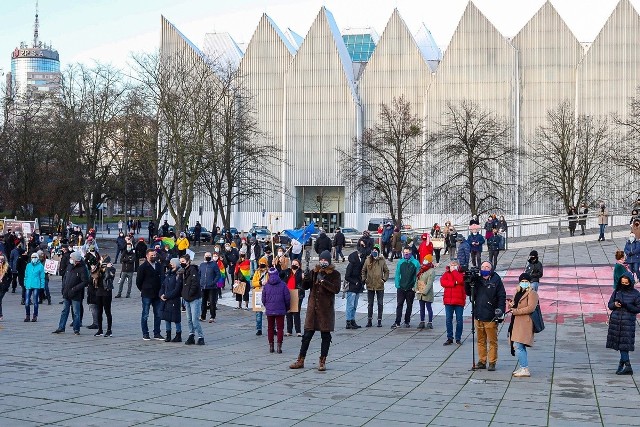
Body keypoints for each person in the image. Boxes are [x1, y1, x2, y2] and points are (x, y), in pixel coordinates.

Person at [289, 250, 341, 371]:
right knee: (307, 335)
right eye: (321, 260)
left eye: (325, 260)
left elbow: (336, 289)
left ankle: (322, 361)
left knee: (325, 336)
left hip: (325, 310)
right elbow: (305, 286)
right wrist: (305, 278)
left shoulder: (335, 274)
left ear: (329, 261)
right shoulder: (314, 271)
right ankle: (300, 359)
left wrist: (324, 281)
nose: (323, 262)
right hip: (313, 309)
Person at [466, 261, 506, 371]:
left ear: (491, 269)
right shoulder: (477, 280)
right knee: (480, 340)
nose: (484, 268)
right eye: (483, 267)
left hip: (491, 316)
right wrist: (468, 281)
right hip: (478, 314)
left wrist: (500, 310)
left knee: (492, 341)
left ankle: (492, 362)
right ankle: (482, 360)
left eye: (487, 267)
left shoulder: (496, 280)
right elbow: (469, 292)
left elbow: (501, 296)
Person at [607, 274, 640, 375]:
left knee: (623, 345)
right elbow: (610, 305)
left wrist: (627, 305)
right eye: (622, 283)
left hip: (627, 322)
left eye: (626, 283)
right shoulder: (617, 291)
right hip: (616, 322)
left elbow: (637, 309)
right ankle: (622, 365)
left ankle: (627, 366)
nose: (624, 284)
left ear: (630, 282)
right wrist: (615, 305)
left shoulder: (636, 294)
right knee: (621, 344)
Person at [507, 273, 539, 378]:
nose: (524, 283)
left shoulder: (532, 293)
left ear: (529, 283)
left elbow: (531, 308)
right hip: (516, 322)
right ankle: (523, 367)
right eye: (522, 281)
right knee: (519, 345)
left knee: (518, 345)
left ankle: (525, 368)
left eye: (526, 282)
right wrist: (511, 305)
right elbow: (516, 305)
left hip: (525, 322)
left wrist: (516, 311)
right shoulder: (518, 291)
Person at [53, 252, 89, 335]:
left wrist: (74, 289)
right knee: (64, 311)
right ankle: (61, 327)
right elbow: (65, 277)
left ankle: (76, 329)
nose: (70, 259)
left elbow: (85, 282)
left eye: (72, 258)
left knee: (76, 312)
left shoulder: (82, 268)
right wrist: (63, 288)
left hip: (76, 294)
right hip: (66, 292)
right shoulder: (69, 266)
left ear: (76, 260)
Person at [136, 248, 164, 340]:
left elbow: (162, 278)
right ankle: (145, 333)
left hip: (157, 293)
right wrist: (143, 289)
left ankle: (157, 333)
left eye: (154, 255)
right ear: (147, 256)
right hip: (147, 293)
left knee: (158, 314)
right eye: (152, 255)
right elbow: (138, 281)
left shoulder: (159, 265)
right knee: (145, 314)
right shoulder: (142, 267)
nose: (153, 257)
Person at [262, 267, 291, 353]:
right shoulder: (283, 284)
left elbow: (263, 299)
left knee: (270, 328)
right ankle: (279, 347)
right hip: (280, 310)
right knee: (280, 328)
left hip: (270, 310)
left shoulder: (266, 285)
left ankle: (271, 347)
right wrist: (287, 307)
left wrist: (267, 306)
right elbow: (287, 298)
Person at [361, 244, 389, 327]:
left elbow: (386, 271)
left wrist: (383, 280)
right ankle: (369, 320)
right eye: (373, 250)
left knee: (380, 303)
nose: (374, 252)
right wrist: (364, 279)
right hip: (370, 284)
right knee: (370, 304)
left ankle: (379, 320)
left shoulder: (382, 260)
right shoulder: (368, 260)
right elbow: (363, 270)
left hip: (379, 285)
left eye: (376, 251)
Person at [392, 247, 420, 329]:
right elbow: (397, 274)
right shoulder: (400, 262)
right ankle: (397, 322)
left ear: (411, 253)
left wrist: (415, 287)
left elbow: (417, 276)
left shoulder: (415, 263)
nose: (406, 254)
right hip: (401, 287)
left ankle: (407, 321)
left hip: (410, 288)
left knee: (409, 305)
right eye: (404, 252)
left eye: (407, 252)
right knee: (399, 304)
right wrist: (397, 285)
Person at [179, 254, 204, 345]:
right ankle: (191, 335)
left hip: (194, 298)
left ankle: (201, 336)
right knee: (189, 318)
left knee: (194, 319)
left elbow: (195, 284)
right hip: (186, 298)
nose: (181, 263)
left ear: (188, 261)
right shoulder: (184, 271)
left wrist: (190, 293)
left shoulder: (193, 270)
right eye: (180, 262)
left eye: (183, 262)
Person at [441, 260, 466, 345]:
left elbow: (461, 280)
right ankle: (449, 337)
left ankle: (458, 338)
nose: (453, 266)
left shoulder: (461, 273)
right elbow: (443, 282)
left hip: (459, 301)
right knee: (448, 320)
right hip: (448, 301)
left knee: (459, 320)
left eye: (454, 265)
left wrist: (454, 271)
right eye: (451, 265)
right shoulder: (446, 273)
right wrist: (453, 283)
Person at [160, 258, 183, 343]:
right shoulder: (168, 273)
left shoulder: (178, 274)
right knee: (167, 317)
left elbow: (177, 289)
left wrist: (166, 296)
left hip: (174, 300)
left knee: (176, 318)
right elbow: (163, 285)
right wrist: (161, 294)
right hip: (166, 299)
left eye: (172, 263)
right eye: (170, 263)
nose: (171, 264)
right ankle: (168, 334)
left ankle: (178, 334)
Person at [92, 256, 115, 337]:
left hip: (107, 291)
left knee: (107, 311)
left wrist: (108, 268)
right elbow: (94, 275)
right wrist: (97, 266)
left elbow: (109, 276)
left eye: (102, 260)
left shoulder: (112, 268)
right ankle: (100, 330)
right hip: (99, 291)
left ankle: (109, 330)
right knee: (99, 311)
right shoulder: (99, 268)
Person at [284, 258, 304, 336]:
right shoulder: (288, 271)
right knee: (288, 312)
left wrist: (304, 277)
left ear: (299, 266)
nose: (294, 265)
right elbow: (280, 274)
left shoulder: (300, 273)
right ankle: (289, 331)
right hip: (288, 293)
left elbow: (305, 282)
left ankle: (298, 331)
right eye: (293, 263)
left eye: (296, 264)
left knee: (296, 312)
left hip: (297, 294)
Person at [344, 250, 364, 329]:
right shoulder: (351, 265)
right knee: (350, 305)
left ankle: (352, 320)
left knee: (354, 305)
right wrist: (355, 282)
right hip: (352, 288)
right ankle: (348, 321)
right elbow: (347, 276)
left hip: (357, 287)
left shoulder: (357, 265)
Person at [199, 252, 221, 323]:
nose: (207, 257)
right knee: (203, 302)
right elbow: (199, 274)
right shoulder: (202, 265)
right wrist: (200, 282)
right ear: (204, 257)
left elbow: (218, 274)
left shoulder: (214, 264)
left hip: (212, 287)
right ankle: (203, 316)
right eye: (206, 256)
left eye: (209, 256)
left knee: (212, 302)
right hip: (203, 286)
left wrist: (213, 282)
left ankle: (212, 316)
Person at [24, 252, 45, 322]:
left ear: (37, 258)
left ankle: (35, 316)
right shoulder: (28, 265)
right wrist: (25, 283)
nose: (33, 258)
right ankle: (27, 315)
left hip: (36, 285)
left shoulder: (40, 266)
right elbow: (26, 275)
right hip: (28, 285)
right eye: (32, 257)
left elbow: (42, 277)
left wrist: (42, 286)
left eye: (35, 257)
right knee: (27, 301)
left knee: (35, 301)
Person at [252, 257, 270, 335]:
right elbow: (253, 283)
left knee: (270, 312)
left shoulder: (269, 272)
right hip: (258, 293)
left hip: (268, 293)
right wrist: (260, 283)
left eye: (263, 263)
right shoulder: (256, 272)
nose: (262, 265)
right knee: (258, 313)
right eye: (261, 263)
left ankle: (272, 328)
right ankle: (259, 329)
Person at [415, 258, 435, 329]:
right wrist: (416, 289)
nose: (424, 261)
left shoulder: (431, 271)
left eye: (426, 260)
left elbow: (429, 283)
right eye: (424, 260)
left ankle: (430, 322)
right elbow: (417, 279)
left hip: (427, 293)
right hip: (420, 292)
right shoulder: (421, 269)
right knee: (421, 308)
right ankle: (422, 321)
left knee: (429, 307)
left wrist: (424, 291)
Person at [0, 254, 11, 321]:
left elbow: (10, 277)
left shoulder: (7, 267)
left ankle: (0, 315)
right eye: (0, 259)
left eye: (2, 259)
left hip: (3, 286)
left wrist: (7, 285)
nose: (1, 260)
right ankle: (0, 315)